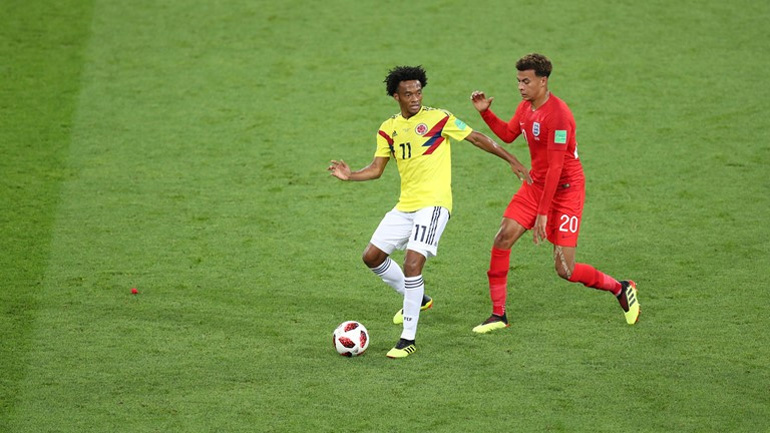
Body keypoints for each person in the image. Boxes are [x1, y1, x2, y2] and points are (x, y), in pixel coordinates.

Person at [329, 65, 531, 358]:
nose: (415, 98)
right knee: (371, 257)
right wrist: (351, 176)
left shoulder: (439, 118)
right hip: (405, 206)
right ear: (396, 96)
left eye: (418, 92)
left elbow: (476, 137)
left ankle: (407, 338)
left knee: (413, 264)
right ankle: (418, 298)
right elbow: (376, 169)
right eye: (408, 94)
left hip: (434, 205)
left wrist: (510, 158)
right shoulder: (388, 128)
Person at [469, 53, 640, 333]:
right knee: (503, 237)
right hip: (537, 184)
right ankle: (498, 315)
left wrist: (542, 213)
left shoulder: (559, 116)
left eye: (526, 81)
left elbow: (557, 168)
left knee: (565, 269)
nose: (520, 87)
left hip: (566, 190)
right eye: (518, 81)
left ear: (543, 81)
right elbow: (509, 134)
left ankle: (621, 288)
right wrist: (485, 112)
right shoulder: (526, 108)